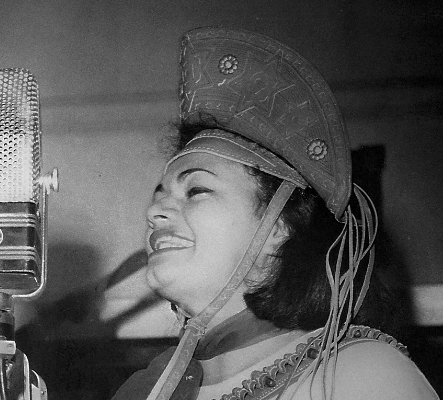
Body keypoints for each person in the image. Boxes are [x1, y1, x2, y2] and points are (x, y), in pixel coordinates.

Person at [112, 27, 439, 400]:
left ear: (278, 227)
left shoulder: (360, 374)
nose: (154, 211)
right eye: (159, 195)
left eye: (197, 190)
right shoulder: (143, 390)